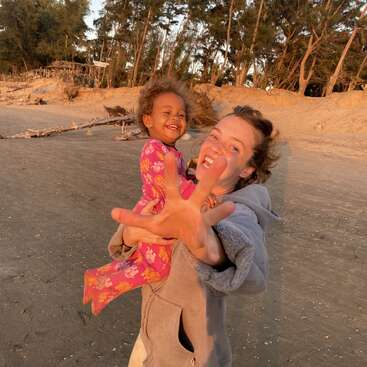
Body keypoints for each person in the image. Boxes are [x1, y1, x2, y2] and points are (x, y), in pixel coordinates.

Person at [109, 105, 280, 367]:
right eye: (214, 136)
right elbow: (130, 245)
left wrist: (209, 246)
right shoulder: (178, 189)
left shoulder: (240, 211)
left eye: (234, 147)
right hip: (148, 337)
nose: (215, 148)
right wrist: (130, 234)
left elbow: (255, 276)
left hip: (189, 356)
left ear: (247, 169)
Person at [83, 79, 215, 316]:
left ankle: (102, 279)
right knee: (158, 267)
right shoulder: (153, 148)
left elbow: (182, 177)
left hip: (164, 212)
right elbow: (169, 183)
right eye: (167, 113)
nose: (175, 119)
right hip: (155, 212)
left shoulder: (173, 151)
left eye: (181, 115)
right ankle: (104, 283)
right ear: (147, 120)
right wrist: (200, 195)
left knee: (149, 263)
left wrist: (195, 178)